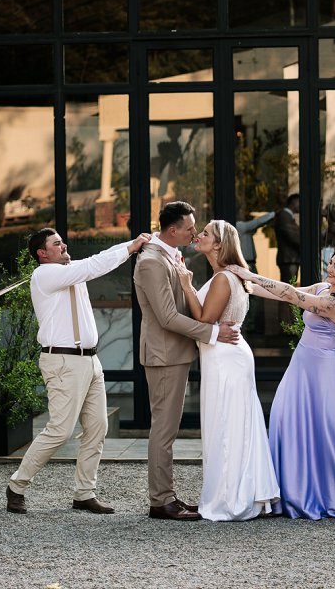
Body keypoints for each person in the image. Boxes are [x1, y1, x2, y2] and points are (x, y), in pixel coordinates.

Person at [227, 247, 335, 521]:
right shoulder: (322, 288)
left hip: (326, 370)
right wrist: (243, 285)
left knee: (325, 432)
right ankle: (287, 490)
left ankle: (323, 494)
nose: (330, 269)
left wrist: (249, 274)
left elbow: (291, 294)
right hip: (302, 366)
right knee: (284, 417)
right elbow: (281, 293)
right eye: (330, 263)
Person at [5, 228, 152, 516]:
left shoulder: (69, 269)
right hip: (63, 361)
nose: (63, 246)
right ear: (42, 253)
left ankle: (84, 494)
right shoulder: (45, 274)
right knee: (60, 430)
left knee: (98, 427)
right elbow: (95, 265)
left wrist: (134, 244)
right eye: (56, 243)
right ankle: (17, 486)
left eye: (62, 241)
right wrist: (131, 247)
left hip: (90, 361)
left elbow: (100, 258)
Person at [133, 201, 240, 521]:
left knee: (168, 428)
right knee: (164, 430)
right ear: (172, 230)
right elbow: (167, 317)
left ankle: (167, 495)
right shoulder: (151, 261)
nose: (195, 233)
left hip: (176, 352)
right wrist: (212, 332)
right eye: (190, 228)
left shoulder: (171, 255)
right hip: (164, 355)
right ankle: (161, 501)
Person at [176, 220, 279, 521]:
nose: (199, 235)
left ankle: (230, 499)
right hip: (226, 354)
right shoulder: (227, 275)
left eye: (206, 233)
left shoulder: (223, 278)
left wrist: (186, 286)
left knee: (226, 425)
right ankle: (244, 494)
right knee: (234, 424)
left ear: (219, 244)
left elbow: (205, 319)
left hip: (225, 358)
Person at [274, 193, 301, 285]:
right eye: (299, 202)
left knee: (291, 286)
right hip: (289, 260)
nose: (301, 205)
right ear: (293, 202)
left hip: (290, 260)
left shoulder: (287, 217)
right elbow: (292, 237)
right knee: (290, 287)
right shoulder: (285, 216)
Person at [320, 203, 335, 274]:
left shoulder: (334, 226)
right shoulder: (333, 225)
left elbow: (326, 241)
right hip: (330, 252)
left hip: (329, 253)